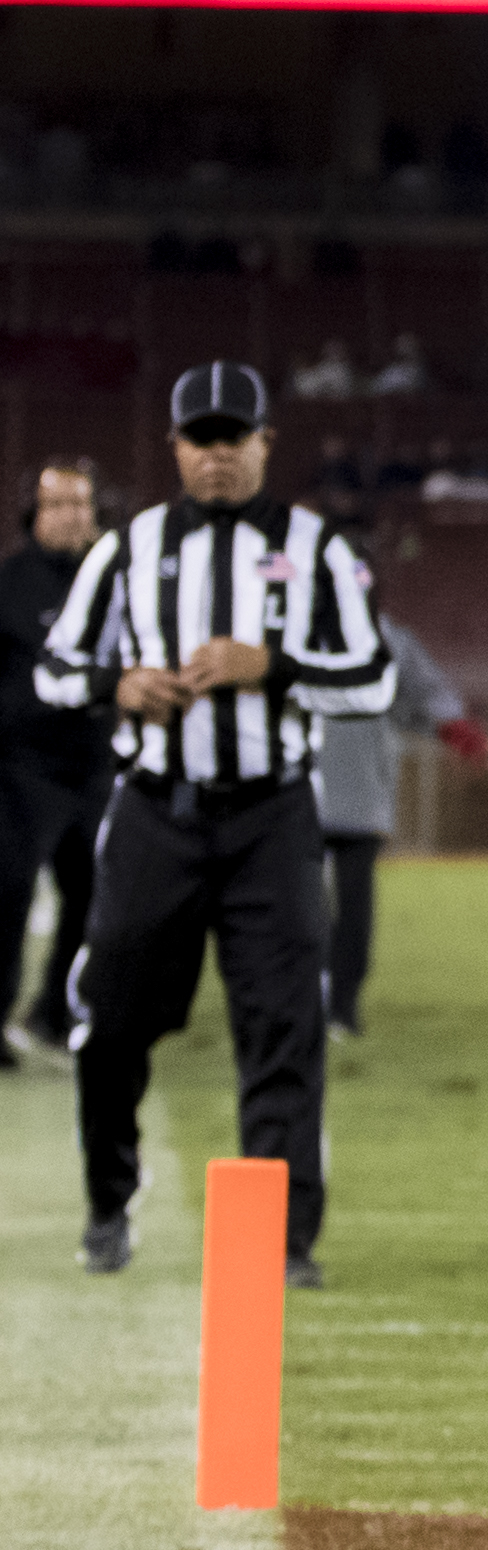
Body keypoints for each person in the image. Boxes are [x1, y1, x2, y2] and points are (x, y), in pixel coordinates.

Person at [39, 363, 394, 1287]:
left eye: (235, 437)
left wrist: (270, 664)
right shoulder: (129, 549)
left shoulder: (317, 548)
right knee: (109, 1021)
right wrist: (116, 683)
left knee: (284, 1027)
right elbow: (53, 669)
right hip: (155, 811)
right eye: (201, 438)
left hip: (272, 817)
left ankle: (282, 1241)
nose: (218, 455)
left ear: (265, 443)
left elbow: (373, 678)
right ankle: (109, 1200)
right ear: (175, 447)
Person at [312, 618, 488, 1036]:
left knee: (330, 903)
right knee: (327, 903)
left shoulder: (382, 636)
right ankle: (333, 1007)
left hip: (334, 792)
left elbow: (426, 699)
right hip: (325, 792)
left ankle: (335, 1004)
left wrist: (474, 743)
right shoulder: (384, 635)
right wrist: (472, 742)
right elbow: (428, 699)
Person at [0, 461, 114, 1063]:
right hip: (22, 770)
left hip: (95, 766)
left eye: (81, 504)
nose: (72, 516)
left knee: (95, 895)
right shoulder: (10, 583)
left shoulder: (114, 582)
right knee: (8, 894)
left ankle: (55, 1013)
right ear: (35, 514)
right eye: (58, 504)